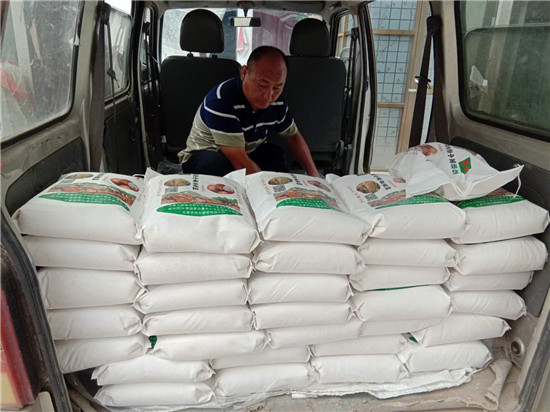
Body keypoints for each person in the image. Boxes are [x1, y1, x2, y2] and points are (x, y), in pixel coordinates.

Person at [179, 46, 320, 177]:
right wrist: (264, 186)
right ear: (244, 73)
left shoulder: (278, 102)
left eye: (277, 88)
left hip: (245, 153)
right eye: (262, 85)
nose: (268, 96)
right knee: (217, 164)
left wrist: (314, 175)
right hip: (207, 155)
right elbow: (238, 159)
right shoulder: (221, 100)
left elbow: (293, 138)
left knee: (278, 156)